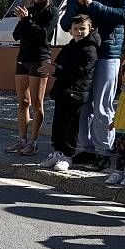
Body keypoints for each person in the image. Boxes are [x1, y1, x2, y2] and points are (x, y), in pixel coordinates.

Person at [58, 0, 125, 171]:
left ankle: (104, 150)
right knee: (82, 103)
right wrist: (77, 3)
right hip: (83, 55)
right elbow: (66, 24)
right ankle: (85, 148)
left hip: (108, 53)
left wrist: (94, 5)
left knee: (103, 105)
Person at [38, 15, 99, 173]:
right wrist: (53, 68)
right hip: (63, 91)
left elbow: (81, 71)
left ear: (89, 29)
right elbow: (58, 64)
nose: (79, 32)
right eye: (76, 29)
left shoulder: (90, 49)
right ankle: (57, 152)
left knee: (71, 126)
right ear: (70, 31)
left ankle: (67, 156)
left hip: (77, 92)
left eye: (82, 28)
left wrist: (57, 69)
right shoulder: (69, 46)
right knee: (58, 124)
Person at [8, 0, 59, 156]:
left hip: (40, 59)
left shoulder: (52, 11)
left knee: (37, 102)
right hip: (23, 58)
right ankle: (22, 139)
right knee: (23, 101)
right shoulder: (27, 11)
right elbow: (16, 35)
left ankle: (33, 141)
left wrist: (28, 21)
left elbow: (43, 35)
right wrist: (23, 20)